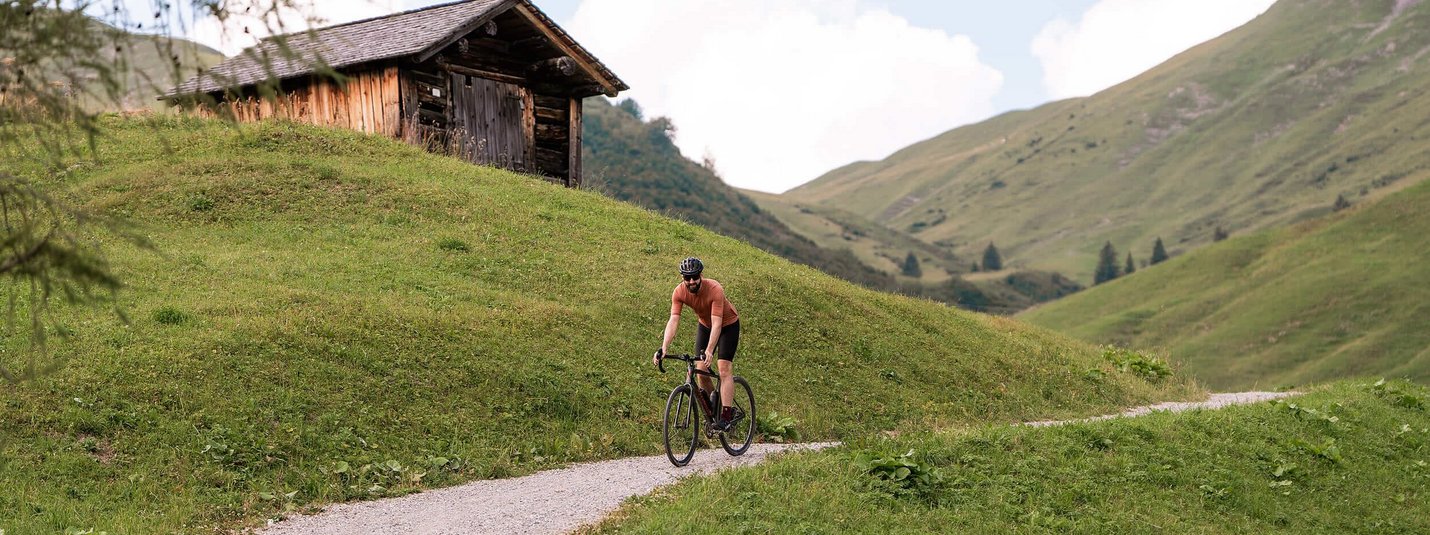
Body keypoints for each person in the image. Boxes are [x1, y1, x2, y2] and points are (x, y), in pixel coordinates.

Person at [652, 257, 743, 431]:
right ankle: (712, 408)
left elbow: (717, 323)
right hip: (705, 325)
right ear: (683, 278)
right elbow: (673, 320)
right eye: (687, 278)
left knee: (723, 367)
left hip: (727, 325)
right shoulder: (679, 292)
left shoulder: (715, 289)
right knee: (700, 370)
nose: (691, 281)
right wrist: (664, 347)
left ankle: (726, 414)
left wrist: (709, 350)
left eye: (695, 277)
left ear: (701, 275)